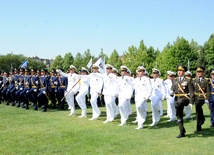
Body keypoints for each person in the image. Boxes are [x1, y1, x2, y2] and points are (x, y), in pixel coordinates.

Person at [170, 64, 194, 138]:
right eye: (178, 70)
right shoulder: (175, 80)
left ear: (184, 72)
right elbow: (172, 89)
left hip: (185, 98)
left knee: (180, 103)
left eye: (181, 71)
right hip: (177, 99)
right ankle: (182, 132)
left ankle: (179, 117)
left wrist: (191, 103)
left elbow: (192, 92)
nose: (179, 72)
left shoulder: (188, 80)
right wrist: (171, 92)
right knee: (179, 116)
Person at [193, 66, 211, 132]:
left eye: (199, 72)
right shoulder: (194, 80)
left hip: (203, 97)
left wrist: (208, 99)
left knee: (198, 106)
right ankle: (198, 127)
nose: (198, 73)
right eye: (197, 72)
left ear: (202, 73)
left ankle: (202, 118)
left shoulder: (206, 80)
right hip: (196, 97)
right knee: (197, 112)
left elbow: (208, 91)